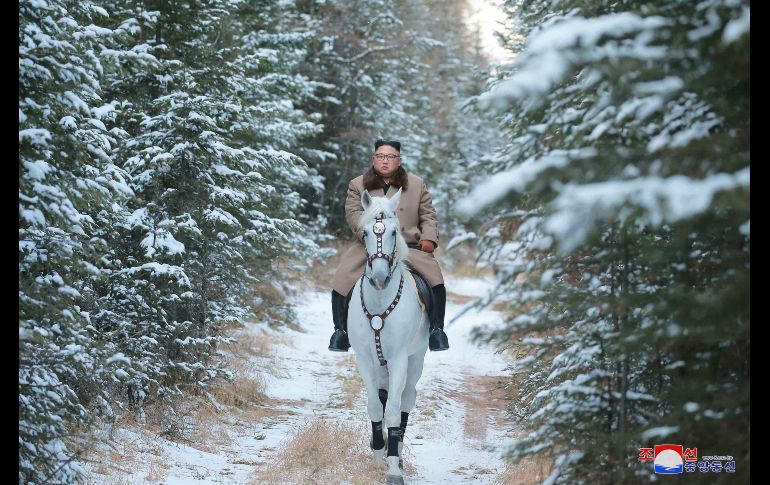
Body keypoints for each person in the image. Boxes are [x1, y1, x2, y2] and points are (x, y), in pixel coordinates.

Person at [328, 139, 450, 352]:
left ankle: (436, 330)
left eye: (390, 157)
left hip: (410, 246)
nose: (385, 161)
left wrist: (429, 238)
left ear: (399, 160)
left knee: (435, 281)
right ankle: (340, 332)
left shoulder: (416, 184)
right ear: (374, 159)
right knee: (342, 279)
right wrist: (369, 235)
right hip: (369, 245)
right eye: (381, 156)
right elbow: (354, 215)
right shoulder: (357, 185)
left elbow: (428, 215)